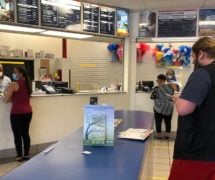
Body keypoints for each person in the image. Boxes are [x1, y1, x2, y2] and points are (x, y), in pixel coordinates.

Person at [169, 37, 215, 180]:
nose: (193, 60)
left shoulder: (202, 74)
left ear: (201, 53)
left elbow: (184, 108)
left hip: (197, 149)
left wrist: (178, 99)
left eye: (193, 56)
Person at [4, 66, 32, 162]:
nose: (14, 74)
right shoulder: (28, 83)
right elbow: (24, 97)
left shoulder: (13, 84)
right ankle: (27, 155)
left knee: (17, 135)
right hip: (28, 112)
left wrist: (6, 94)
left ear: (20, 73)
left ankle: (19, 155)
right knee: (25, 134)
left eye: (15, 72)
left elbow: (6, 100)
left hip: (17, 113)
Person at [151, 74, 174, 140]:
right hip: (168, 108)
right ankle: (167, 136)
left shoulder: (156, 88)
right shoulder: (170, 87)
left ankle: (159, 136)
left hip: (158, 108)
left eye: (157, 80)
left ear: (160, 80)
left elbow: (152, 97)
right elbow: (172, 96)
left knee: (158, 122)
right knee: (168, 122)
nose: (157, 81)